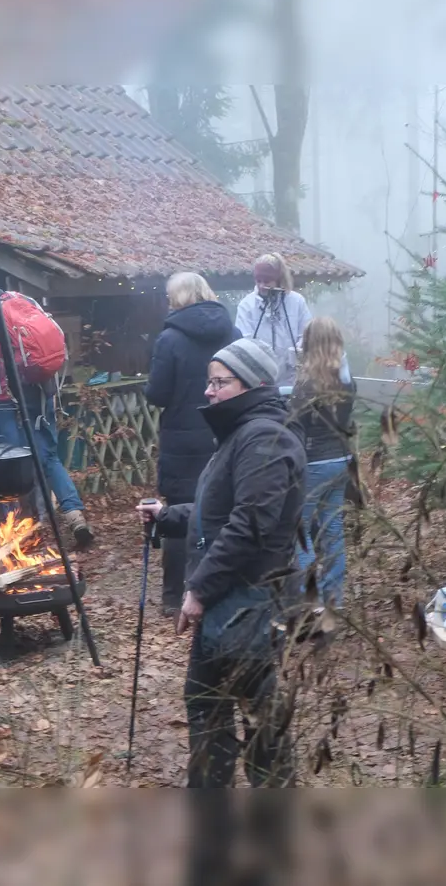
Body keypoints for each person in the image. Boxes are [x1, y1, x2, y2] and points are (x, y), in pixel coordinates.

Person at [137, 337, 306, 787]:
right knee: (208, 706)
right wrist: (169, 517)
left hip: (250, 602)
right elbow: (220, 514)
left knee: (257, 724)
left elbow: (251, 524)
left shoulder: (266, 439)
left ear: (253, 384)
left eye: (219, 382)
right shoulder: (244, 434)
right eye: (209, 382)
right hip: (231, 600)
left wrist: (199, 589)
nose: (209, 392)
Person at [0, 274, 94, 548]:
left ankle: (19, 530)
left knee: (12, 460)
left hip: (7, 398)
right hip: (42, 391)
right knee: (47, 456)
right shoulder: (22, 300)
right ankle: (74, 515)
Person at [145, 272, 241, 616]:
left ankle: (174, 599)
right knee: (224, 510)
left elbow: (157, 394)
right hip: (226, 432)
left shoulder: (169, 339)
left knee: (176, 513)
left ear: (178, 298)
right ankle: (216, 586)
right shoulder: (232, 333)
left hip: (182, 440)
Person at [288, 317, 357, 608]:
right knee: (332, 530)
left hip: (314, 462)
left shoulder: (306, 385)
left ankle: (308, 598)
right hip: (342, 459)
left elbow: (294, 425)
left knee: (300, 531)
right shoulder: (346, 379)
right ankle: (333, 598)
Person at [233, 253, 312, 390]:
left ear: (279, 280)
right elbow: (243, 341)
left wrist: (297, 352)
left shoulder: (296, 301)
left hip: (291, 378)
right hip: (259, 380)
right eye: (258, 281)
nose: (262, 286)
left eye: (267, 281)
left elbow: (307, 333)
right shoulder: (247, 305)